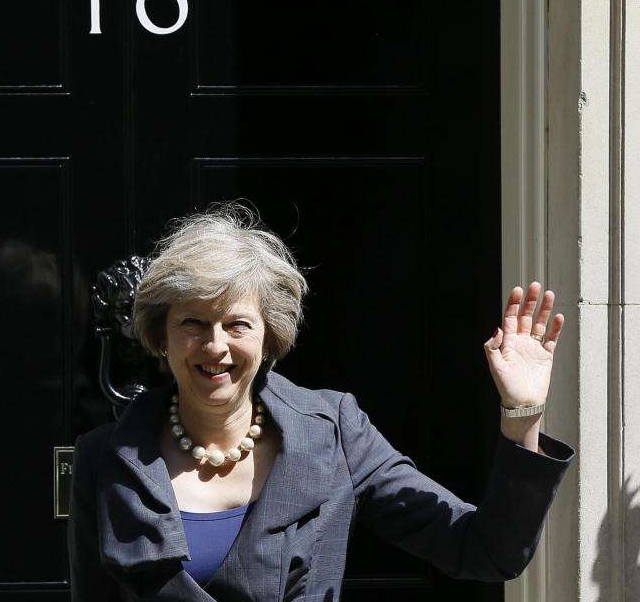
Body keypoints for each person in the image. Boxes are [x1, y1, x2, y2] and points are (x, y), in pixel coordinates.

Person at [68, 202, 574, 601]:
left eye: (237, 324)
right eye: (192, 324)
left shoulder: (334, 432)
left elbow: (484, 551)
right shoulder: (105, 459)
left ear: (270, 337)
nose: (216, 345)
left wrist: (521, 415)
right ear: (162, 336)